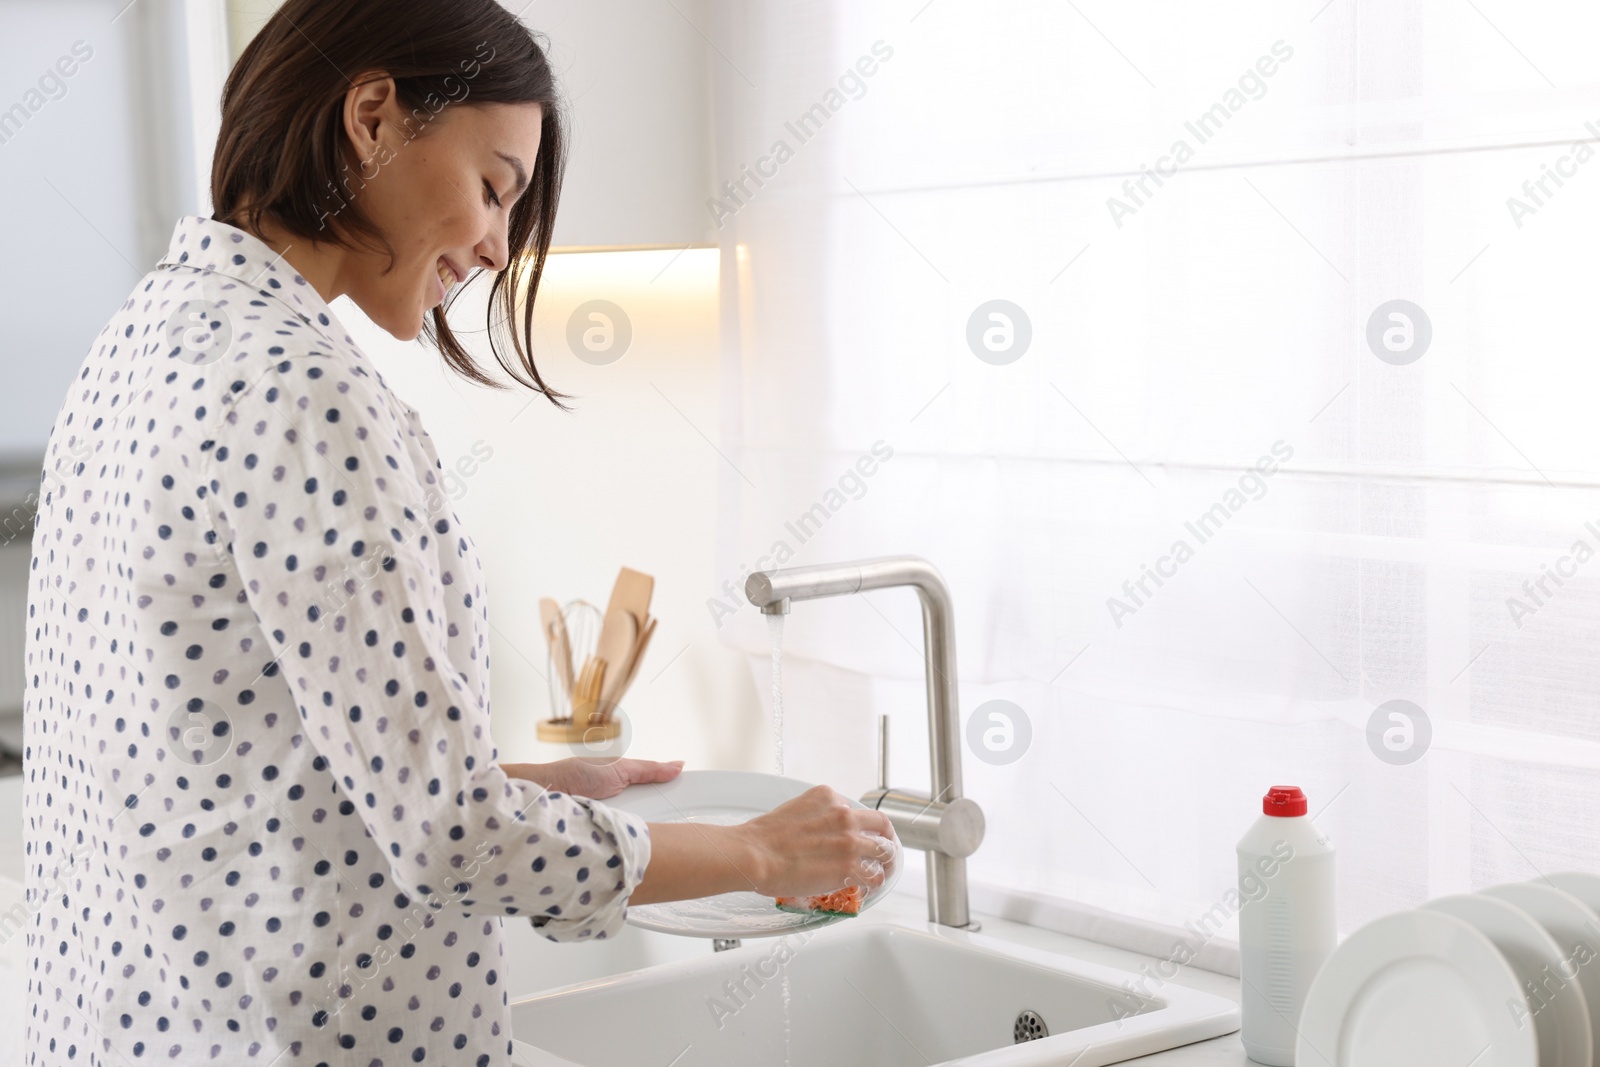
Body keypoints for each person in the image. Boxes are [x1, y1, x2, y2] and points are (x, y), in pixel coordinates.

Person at [22, 2, 894, 1064]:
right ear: (375, 115)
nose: (495, 245)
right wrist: (758, 852)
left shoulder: (146, 337)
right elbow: (451, 835)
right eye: (494, 186)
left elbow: (234, 759)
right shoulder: (303, 393)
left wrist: (512, 781)